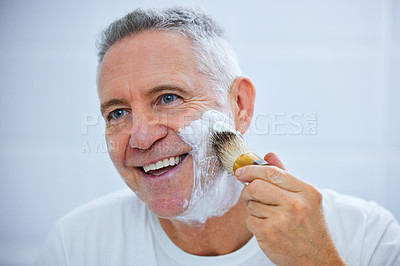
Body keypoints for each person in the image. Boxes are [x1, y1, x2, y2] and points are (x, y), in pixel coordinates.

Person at [36, 7, 400, 266]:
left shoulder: (364, 236)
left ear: (239, 105)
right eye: (118, 113)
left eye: (168, 98)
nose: (141, 137)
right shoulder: (75, 245)